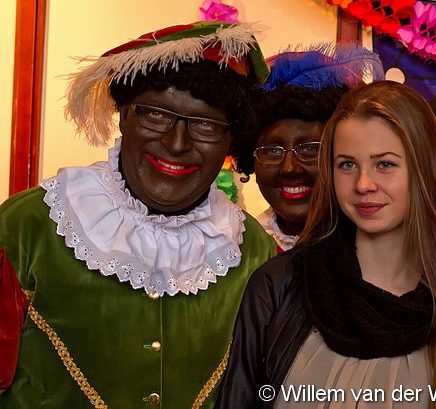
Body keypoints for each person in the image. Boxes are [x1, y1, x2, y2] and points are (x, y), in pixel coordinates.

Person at [0, 21, 277, 407]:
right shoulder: (27, 225)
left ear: (230, 140)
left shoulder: (256, 253)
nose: (176, 144)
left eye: (206, 125)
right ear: (124, 115)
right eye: (156, 115)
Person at [215, 81, 436, 408]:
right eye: (347, 164)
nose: (363, 184)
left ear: (424, 169)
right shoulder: (279, 284)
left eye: (385, 164)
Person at [236, 44, 383, 251]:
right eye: (273, 151)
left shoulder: (383, 251)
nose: (289, 168)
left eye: (310, 149)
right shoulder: (239, 251)